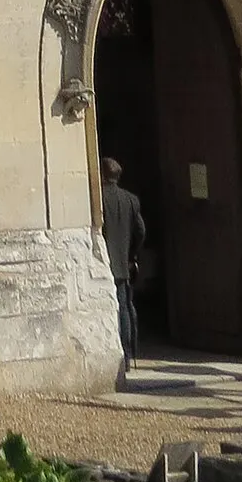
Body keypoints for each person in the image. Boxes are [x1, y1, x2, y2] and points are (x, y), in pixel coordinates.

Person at [99, 156, 146, 385]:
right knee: (125, 308)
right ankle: (128, 355)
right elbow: (141, 231)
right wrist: (132, 254)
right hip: (123, 263)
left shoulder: (97, 199)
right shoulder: (130, 200)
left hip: (104, 261)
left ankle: (121, 354)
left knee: (119, 309)